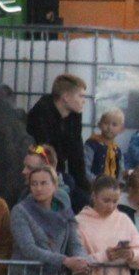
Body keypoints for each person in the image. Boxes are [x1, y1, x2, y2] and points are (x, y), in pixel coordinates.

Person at [25, 73, 91, 206]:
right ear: (66, 97)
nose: (83, 101)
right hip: (39, 171)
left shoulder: (74, 115)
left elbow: (77, 153)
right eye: (80, 96)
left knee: (85, 198)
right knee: (70, 188)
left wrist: (85, 187)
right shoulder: (41, 114)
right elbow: (43, 150)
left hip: (59, 172)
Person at [84, 108, 127, 183]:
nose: (109, 127)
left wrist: (118, 184)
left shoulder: (117, 150)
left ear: (121, 129)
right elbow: (85, 169)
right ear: (99, 125)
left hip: (112, 188)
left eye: (114, 124)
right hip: (93, 186)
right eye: (106, 123)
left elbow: (120, 173)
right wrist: (99, 183)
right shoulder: (91, 144)